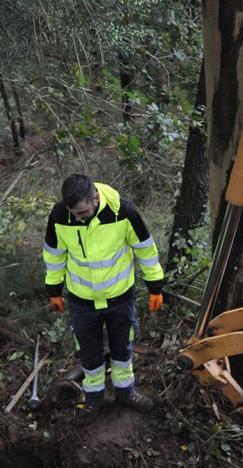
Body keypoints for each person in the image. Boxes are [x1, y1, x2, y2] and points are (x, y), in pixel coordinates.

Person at [42, 174, 166, 425]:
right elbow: (55, 255)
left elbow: (146, 250)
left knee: (122, 348)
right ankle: (94, 398)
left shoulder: (124, 211)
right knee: (89, 354)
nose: (78, 217)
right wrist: (54, 290)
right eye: (74, 213)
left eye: (83, 211)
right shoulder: (59, 216)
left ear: (95, 198)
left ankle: (125, 392)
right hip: (82, 300)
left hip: (120, 298)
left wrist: (155, 286)